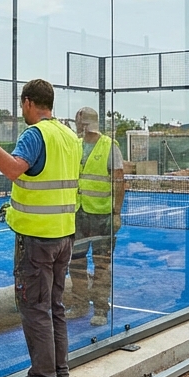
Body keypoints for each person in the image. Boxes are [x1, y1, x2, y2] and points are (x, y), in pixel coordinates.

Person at [0, 79, 79, 377]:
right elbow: (47, 182)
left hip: (37, 241)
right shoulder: (69, 136)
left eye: (21, 104)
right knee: (54, 308)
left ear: (28, 102)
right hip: (63, 237)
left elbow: (14, 170)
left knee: (35, 309)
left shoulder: (35, 134)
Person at [71, 106, 125, 327]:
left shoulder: (109, 146)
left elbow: (119, 181)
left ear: (85, 122)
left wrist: (116, 213)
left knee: (101, 264)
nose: (76, 124)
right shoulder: (75, 145)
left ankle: (101, 308)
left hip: (102, 216)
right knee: (76, 262)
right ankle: (79, 305)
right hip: (78, 213)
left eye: (78, 120)